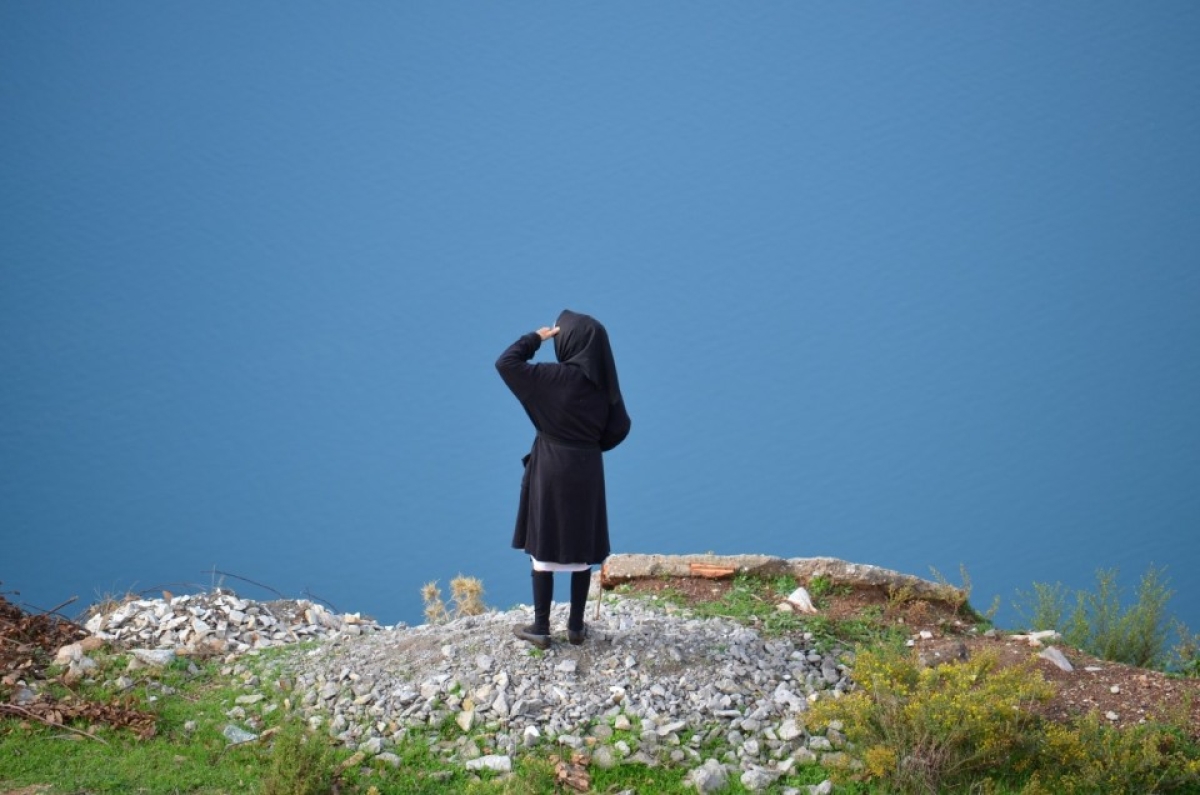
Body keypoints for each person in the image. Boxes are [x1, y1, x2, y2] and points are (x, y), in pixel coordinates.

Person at [496, 309, 632, 648]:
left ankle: (541, 627)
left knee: (545, 542)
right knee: (581, 546)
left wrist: (535, 338)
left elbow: (506, 363)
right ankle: (575, 627)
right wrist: (591, 445)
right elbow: (620, 427)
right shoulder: (603, 385)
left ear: (568, 341)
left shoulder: (550, 378)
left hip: (551, 467)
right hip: (587, 467)